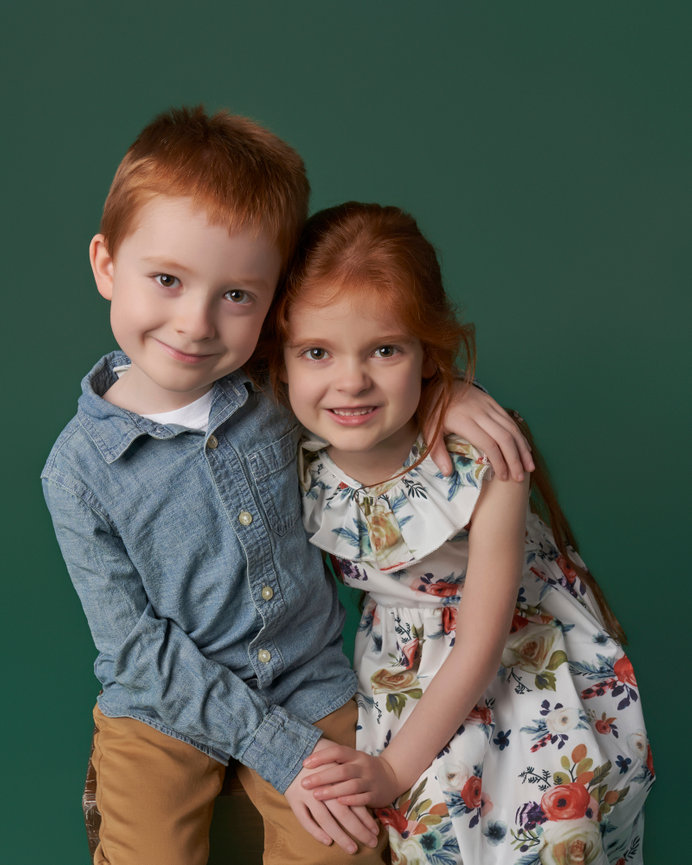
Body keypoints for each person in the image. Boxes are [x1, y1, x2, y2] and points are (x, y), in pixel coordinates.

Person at [41, 108, 532, 865]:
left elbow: (365, 379)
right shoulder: (76, 472)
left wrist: (445, 392)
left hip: (306, 685)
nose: (197, 322)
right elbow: (139, 649)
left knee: (342, 847)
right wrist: (275, 749)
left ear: (272, 303)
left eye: (237, 294)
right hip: (161, 708)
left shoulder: (277, 389)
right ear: (107, 264)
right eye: (167, 279)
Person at [271, 202, 655, 865]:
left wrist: (392, 770)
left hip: (517, 654)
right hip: (401, 664)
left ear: (427, 352)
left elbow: (481, 642)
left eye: (385, 348)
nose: (351, 379)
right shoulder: (292, 452)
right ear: (280, 361)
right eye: (317, 351)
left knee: (534, 828)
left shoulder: (481, 458)